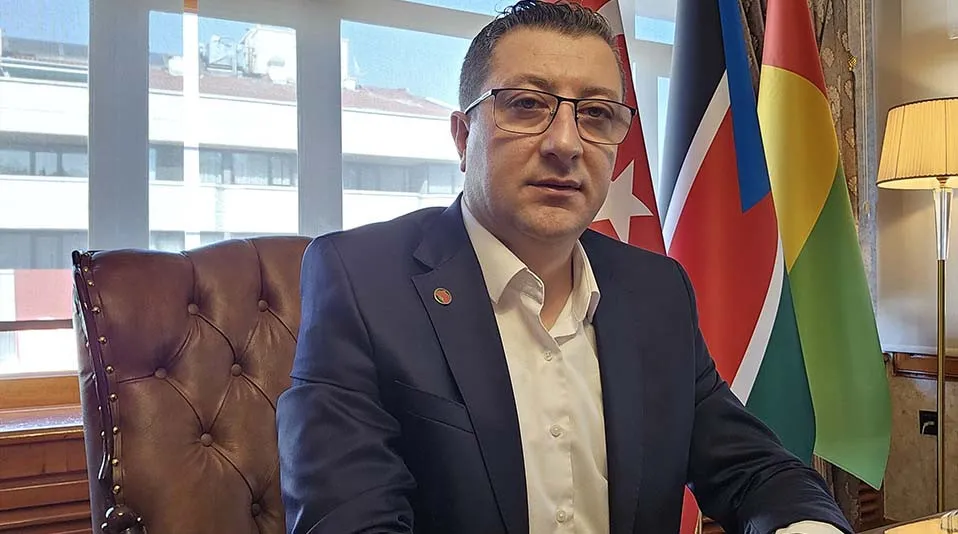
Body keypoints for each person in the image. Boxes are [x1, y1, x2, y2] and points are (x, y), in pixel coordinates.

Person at [276, 1, 853, 533]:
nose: (566, 144)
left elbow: (755, 470)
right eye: (527, 105)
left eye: (596, 114)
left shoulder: (656, 291)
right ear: (463, 135)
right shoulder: (360, 282)